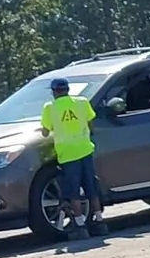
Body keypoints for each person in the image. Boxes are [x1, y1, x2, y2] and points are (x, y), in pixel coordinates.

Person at [40, 77, 104, 237]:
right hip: (85, 149)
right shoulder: (82, 102)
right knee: (91, 187)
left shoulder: (50, 107)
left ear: (54, 92)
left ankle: (80, 225)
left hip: (67, 154)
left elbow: (45, 132)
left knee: (73, 191)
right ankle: (100, 222)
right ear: (68, 89)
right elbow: (90, 123)